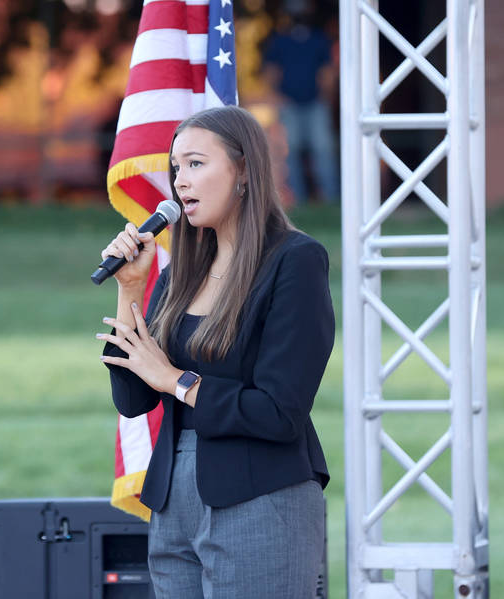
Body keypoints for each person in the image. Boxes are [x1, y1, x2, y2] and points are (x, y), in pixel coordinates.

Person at [95, 105, 335, 598]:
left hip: (260, 492)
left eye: (196, 164)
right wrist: (131, 291)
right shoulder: (182, 271)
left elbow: (279, 412)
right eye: (176, 167)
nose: (180, 181)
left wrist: (176, 381)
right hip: (174, 499)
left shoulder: (294, 260)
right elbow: (133, 400)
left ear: (244, 169)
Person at [262, 0, 340, 204]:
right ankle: (299, 199)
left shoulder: (318, 39)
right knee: (292, 151)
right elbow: (271, 71)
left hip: (315, 103)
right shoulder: (279, 40)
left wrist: (325, 98)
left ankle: (330, 199)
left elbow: (327, 73)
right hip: (289, 104)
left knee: (322, 150)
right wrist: (277, 97)